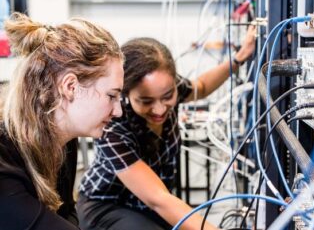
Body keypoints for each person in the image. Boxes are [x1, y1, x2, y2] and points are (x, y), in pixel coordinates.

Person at [77, 26, 257, 230]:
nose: (159, 109)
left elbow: (202, 86)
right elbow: (158, 199)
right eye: (145, 101)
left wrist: (239, 58)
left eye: (167, 96)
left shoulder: (171, 87)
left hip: (148, 205)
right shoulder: (113, 126)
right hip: (106, 207)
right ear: (126, 93)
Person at [0, 12, 124, 230]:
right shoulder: (4, 155)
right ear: (70, 87)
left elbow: (66, 212)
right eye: (111, 96)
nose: (118, 111)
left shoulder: (61, 138)